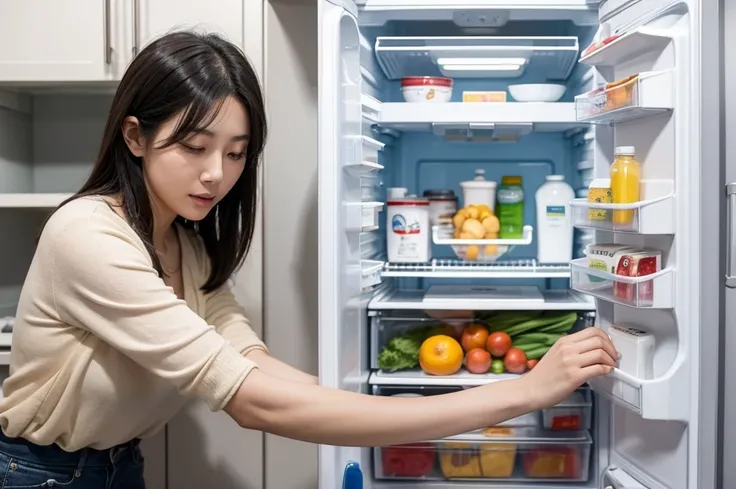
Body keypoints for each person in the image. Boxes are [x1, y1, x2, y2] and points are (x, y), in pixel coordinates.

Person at [0, 31, 618, 488]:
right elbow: (251, 400)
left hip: (119, 466)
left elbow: (253, 362)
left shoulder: (183, 243)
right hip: (41, 473)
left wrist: (374, 412)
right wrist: (520, 393)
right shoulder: (87, 236)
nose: (217, 174)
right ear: (135, 137)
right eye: (195, 146)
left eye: (237, 153)